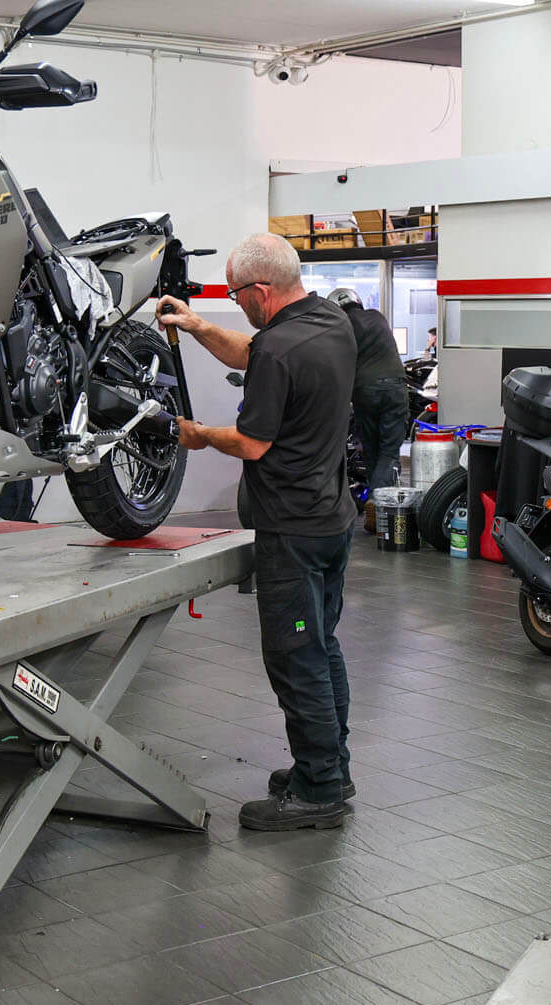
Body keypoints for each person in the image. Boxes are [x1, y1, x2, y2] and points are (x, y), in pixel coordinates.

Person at [156, 234, 358, 831]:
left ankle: (318, 791)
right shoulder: (329, 322)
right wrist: (197, 326)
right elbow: (253, 350)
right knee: (321, 646)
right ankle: (332, 767)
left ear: (261, 291)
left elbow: (251, 443)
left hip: (291, 531)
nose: (236, 303)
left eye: (236, 294)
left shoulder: (277, 350)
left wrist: (198, 435)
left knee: (297, 658)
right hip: (331, 519)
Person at [327, 288, 409, 492]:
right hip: (394, 387)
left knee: (372, 450)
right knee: (388, 451)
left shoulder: (340, 325)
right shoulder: (376, 316)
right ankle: (379, 501)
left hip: (364, 390)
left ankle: (376, 498)